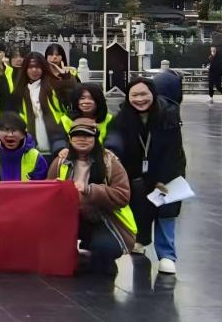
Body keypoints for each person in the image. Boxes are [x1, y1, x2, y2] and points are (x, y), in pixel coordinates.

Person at [105, 77, 186, 275]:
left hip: (167, 170)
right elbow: (114, 138)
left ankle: (167, 255)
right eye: (134, 95)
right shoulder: (122, 117)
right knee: (139, 205)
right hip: (136, 172)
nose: (139, 99)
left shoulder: (169, 116)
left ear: (153, 94)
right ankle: (140, 240)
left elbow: (173, 151)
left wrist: (163, 179)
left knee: (166, 210)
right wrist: (111, 151)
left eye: (144, 94)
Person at [48, 118, 136, 275]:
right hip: (69, 217)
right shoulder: (60, 162)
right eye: (77, 135)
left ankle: (98, 258)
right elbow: (48, 193)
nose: (82, 139)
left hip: (104, 219)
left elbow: (123, 195)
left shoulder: (110, 162)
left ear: (95, 138)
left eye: (87, 135)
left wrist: (90, 191)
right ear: (70, 138)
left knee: (104, 249)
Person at [11, 52, 68, 156]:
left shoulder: (54, 86)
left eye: (38, 67)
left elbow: (72, 95)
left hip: (57, 140)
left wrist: (66, 77)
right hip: (29, 140)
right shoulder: (20, 90)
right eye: (30, 67)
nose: (34, 70)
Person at [0, 111, 48, 182]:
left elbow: (43, 185)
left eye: (15, 130)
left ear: (23, 134)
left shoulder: (36, 157)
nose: (10, 134)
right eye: (5, 130)